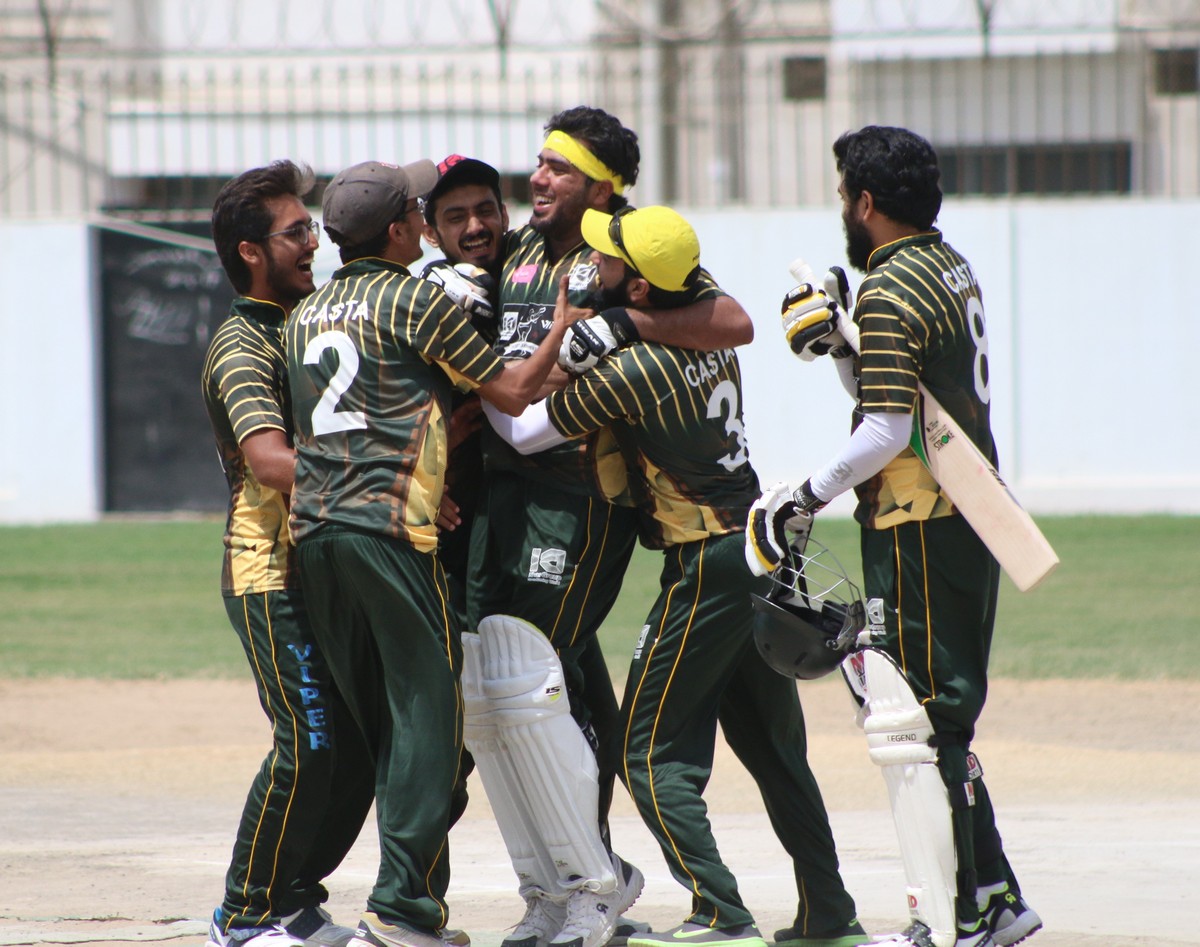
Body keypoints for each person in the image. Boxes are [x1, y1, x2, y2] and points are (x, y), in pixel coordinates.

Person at [484, 205, 869, 947]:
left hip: (710, 561)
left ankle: (720, 913)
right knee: (776, 753)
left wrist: (476, 375)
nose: (594, 264)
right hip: (762, 546)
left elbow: (523, 430)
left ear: (639, 284)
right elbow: (723, 316)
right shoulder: (692, 318)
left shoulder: (635, 369)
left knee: (648, 753)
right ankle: (831, 914)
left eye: (608, 258)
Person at [746, 125, 1043, 947]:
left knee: (917, 720)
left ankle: (957, 917)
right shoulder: (946, 266)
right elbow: (899, 394)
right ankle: (991, 896)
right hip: (962, 515)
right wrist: (843, 342)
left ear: (867, 202)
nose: (843, 208)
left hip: (919, 523)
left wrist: (803, 495)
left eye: (846, 195)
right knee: (935, 718)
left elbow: (886, 427)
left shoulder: (887, 288)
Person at [465, 107, 754, 947]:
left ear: (603, 186)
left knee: (528, 683)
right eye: (540, 162)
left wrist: (628, 322)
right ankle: (566, 878)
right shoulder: (519, 246)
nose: (538, 178)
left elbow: (730, 321)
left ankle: (589, 881)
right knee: (521, 680)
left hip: (580, 496)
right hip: (500, 491)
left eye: (558, 167)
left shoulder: (624, 245)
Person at [283, 157, 570, 947]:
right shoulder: (414, 297)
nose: (424, 222)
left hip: (316, 535)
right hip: (390, 535)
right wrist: (562, 325)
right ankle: (402, 908)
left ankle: (393, 901)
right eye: (418, 213)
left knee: (389, 728)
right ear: (400, 228)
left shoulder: (306, 314)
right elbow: (512, 390)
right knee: (430, 719)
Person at [201, 160, 375, 947]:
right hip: (267, 570)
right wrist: (387, 479)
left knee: (356, 746)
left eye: (311, 226)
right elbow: (270, 462)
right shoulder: (242, 344)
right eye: (296, 230)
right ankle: (242, 916)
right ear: (250, 251)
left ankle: (292, 895)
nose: (314, 242)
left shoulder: (304, 321)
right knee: (306, 739)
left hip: (323, 567)